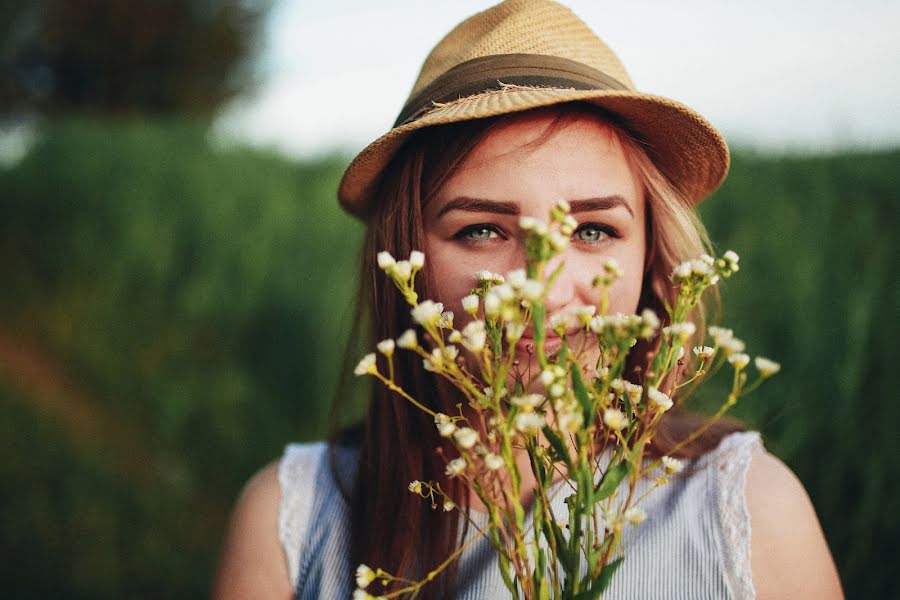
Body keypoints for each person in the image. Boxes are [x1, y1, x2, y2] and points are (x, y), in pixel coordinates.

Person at [212, 1, 843, 599]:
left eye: (594, 230)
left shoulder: (750, 512)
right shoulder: (292, 519)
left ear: (652, 260)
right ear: (407, 264)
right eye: (482, 230)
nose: (542, 292)